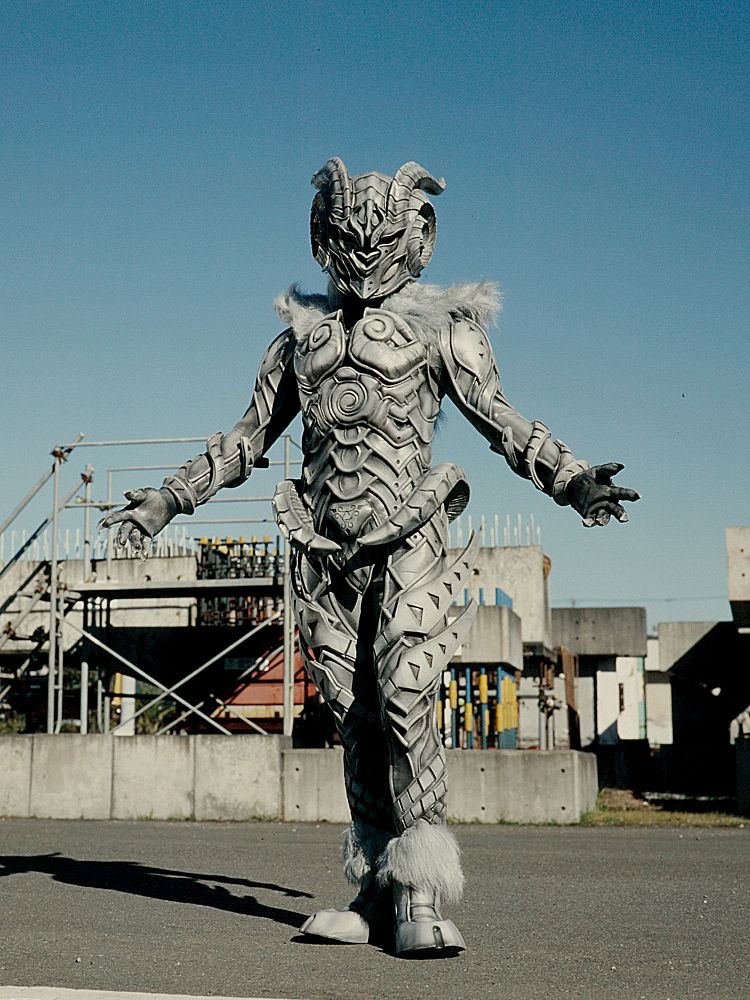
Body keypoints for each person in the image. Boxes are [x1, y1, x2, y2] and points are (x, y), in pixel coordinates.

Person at [102, 158, 639, 956]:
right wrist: (166, 501)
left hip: (410, 536)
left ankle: (422, 889)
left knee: (406, 700)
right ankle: (376, 887)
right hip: (324, 547)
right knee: (353, 719)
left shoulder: (443, 330)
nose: (363, 253)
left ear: (415, 238)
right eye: (347, 237)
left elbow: (501, 420)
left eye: (379, 237)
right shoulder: (301, 343)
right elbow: (245, 438)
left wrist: (572, 478)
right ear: (323, 238)